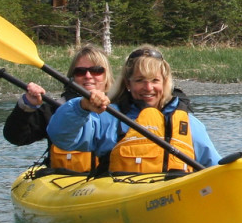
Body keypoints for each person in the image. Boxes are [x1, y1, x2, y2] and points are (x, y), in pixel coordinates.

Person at [47, 45, 222, 173]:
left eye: (155, 80)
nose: (148, 87)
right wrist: (81, 107)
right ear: (128, 84)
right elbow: (62, 137)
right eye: (139, 80)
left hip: (174, 196)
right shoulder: (109, 117)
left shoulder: (188, 123)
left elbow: (214, 164)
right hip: (121, 197)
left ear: (165, 83)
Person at [3, 44, 114, 172]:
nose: (88, 76)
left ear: (107, 76)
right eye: (80, 71)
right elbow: (16, 137)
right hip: (62, 181)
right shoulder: (55, 109)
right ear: (72, 77)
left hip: (108, 182)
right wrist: (27, 106)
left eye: (96, 70)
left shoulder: (121, 110)